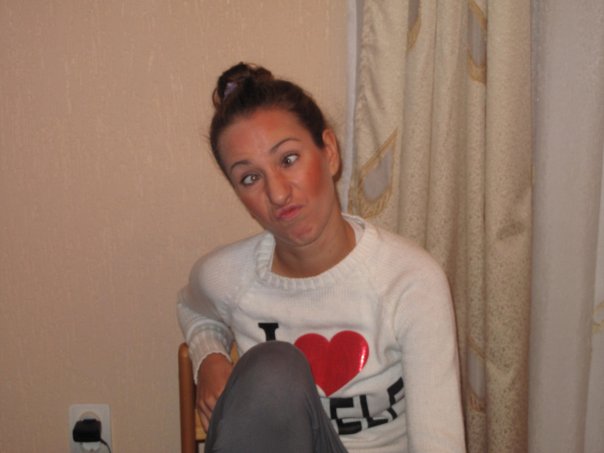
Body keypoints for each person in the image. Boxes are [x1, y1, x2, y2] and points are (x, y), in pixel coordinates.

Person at [177, 62, 466, 453]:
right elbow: (192, 308)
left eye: (288, 159)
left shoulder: (410, 281)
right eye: (250, 178)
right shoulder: (227, 275)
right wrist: (209, 356)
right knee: (273, 369)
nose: (278, 193)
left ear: (329, 152)